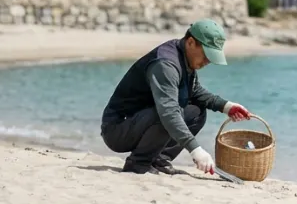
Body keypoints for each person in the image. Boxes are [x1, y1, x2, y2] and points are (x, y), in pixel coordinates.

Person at [99, 19, 252, 175]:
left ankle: (159, 159)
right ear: (191, 42)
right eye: (207, 54)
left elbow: (194, 91)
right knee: (169, 113)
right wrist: (196, 150)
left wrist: (226, 106)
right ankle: (139, 163)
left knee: (197, 111)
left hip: (140, 121)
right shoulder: (166, 64)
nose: (208, 61)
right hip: (117, 129)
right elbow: (168, 112)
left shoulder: (185, 57)